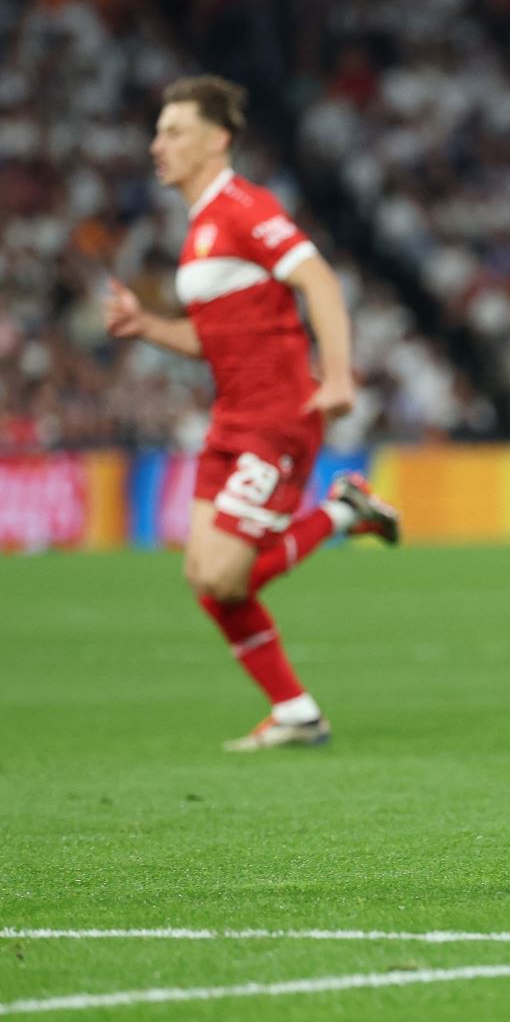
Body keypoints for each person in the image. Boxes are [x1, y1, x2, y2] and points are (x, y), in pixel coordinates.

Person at [103, 76, 401, 752]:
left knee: (225, 575)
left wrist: (340, 371)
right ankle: (295, 713)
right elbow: (209, 339)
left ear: (219, 140)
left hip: (276, 418)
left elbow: (318, 279)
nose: (159, 144)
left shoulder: (243, 207)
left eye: (174, 130)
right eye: (158, 130)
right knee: (203, 578)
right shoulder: (201, 225)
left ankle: (344, 512)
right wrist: (146, 325)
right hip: (230, 421)